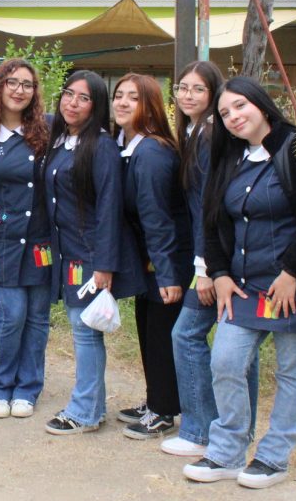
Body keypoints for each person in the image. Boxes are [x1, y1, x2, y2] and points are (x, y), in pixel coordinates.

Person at [183, 76, 296, 489]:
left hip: (293, 288)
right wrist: (218, 275)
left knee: (292, 371)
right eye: (224, 113)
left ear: (261, 104)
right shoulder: (229, 159)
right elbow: (213, 222)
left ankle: (273, 457)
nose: (234, 117)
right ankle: (227, 450)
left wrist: (291, 272)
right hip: (243, 289)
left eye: (240, 106)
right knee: (225, 362)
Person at [41, 71, 146, 434]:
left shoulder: (101, 146)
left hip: (89, 256)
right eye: (68, 94)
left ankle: (83, 411)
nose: (72, 103)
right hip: (67, 252)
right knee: (81, 329)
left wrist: (104, 264)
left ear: (96, 104)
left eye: (83, 98)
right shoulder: (61, 140)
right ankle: (93, 407)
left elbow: (109, 208)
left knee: (84, 330)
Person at [163, 62, 260, 456]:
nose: (188, 95)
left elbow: (210, 206)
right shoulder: (192, 131)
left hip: (223, 260)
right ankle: (227, 430)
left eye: (198, 90)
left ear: (213, 94)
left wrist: (205, 269)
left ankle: (201, 430)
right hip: (216, 257)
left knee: (188, 335)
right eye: (182, 88)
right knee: (236, 345)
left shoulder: (209, 135)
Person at [0, 58, 51, 419]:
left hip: (43, 244)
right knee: (12, 314)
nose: (19, 90)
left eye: (27, 84)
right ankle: (0, 386)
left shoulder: (49, 130)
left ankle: (28, 388)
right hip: (0, 242)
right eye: (12, 82)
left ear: (35, 93)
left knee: (37, 317)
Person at [113, 73, 193, 439]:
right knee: (148, 329)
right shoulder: (130, 146)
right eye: (119, 96)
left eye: (134, 97)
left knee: (161, 334)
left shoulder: (152, 152)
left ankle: (163, 412)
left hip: (166, 260)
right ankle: (156, 399)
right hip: (151, 260)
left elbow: (157, 217)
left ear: (151, 106)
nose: (123, 103)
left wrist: (167, 274)